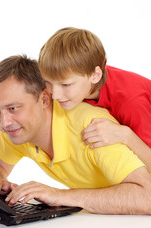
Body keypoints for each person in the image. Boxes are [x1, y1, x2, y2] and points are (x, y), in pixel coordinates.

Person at [0, 55, 151, 215]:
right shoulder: (18, 129)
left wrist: (61, 196)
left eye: (13, 108)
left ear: (44, 99)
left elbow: (147, 197)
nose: (3, 122)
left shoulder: (93, 128)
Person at [38, 27, 151, 171]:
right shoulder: (81, 73)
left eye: (65, 84)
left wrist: (126, 135)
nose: (55, 95)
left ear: (95, 75)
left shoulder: (132, 102)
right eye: (48, 82)